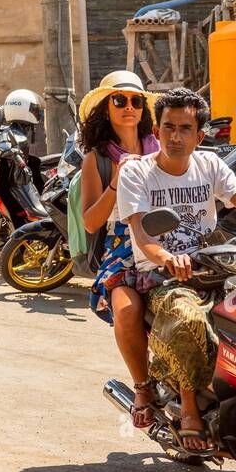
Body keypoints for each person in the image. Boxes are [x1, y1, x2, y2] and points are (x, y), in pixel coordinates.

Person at [116, 87, 236, 454]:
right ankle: (188, 408)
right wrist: (167, 257)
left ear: (199, 136)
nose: (176, 137)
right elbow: (141, 232)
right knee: (188, 319)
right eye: (168, 127)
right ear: (157, 131)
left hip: (215, 265)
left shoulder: (210, 165)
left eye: (185, 128)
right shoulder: (136, 173)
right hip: (161, 274)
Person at [77, 70, 159, 427]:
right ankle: (142, 387)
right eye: (119, 100)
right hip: (122, 247)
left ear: (144, 109)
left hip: (167, 239)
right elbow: (90, 222)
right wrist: (116, 183)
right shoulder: (97, 159)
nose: (128, 107)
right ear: (105, 108)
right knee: (126, 310)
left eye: (135, 101)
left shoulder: (163, 147)